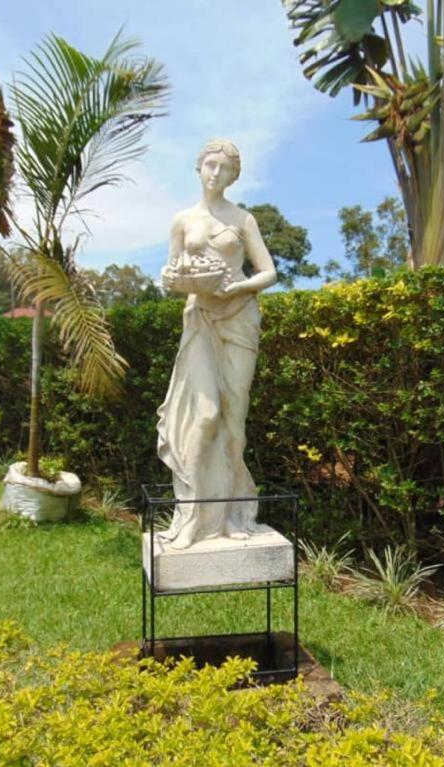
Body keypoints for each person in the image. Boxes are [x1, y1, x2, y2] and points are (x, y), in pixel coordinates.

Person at [156, 139, 277, 550]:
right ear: (199, 167)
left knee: (234, 421)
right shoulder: (182, 220)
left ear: (233, 176)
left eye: (224, 169)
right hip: (200, 319)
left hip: (240, 318)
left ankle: (234, 512)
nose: (215, 173)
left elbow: (269, 273)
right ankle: (192, 515)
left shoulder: (243, 220)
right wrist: (171, 281)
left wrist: (238, 286)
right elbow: (174, 272)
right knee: (205, 415)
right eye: (210, 165)